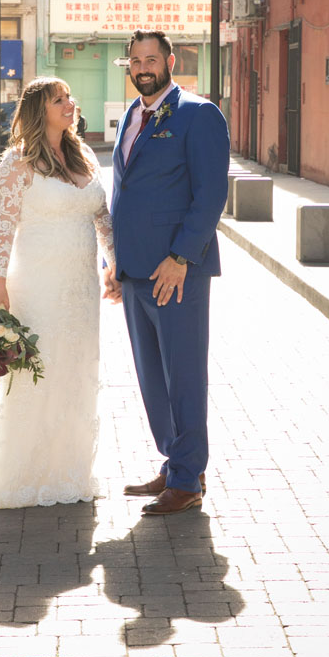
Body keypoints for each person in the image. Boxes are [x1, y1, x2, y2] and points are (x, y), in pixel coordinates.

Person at [0, 77, 115, 510]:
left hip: (81, 288)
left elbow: (102, 216)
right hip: (38, 284)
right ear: (39, 111)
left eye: (69, 96)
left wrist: (115, 263)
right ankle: (21, 473)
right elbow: (3, 225)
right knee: (38, 373)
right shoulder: (16, 164)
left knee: (77, 368)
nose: (70, 102)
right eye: (59, 99)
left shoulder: (84, 157)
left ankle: (70, 470)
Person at [106, 30, 229, 515]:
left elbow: (210, 196)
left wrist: (180, 258)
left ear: (171, 61)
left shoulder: (198, 114)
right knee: (152, 377)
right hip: (134, 271)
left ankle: (187, 479)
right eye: (135, 60)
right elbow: (123, 194)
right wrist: (113, 261)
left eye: (151, 59)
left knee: (184, 374)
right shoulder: (131, 117)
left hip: (177, 271)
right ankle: (177, 463)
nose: (142, 67)